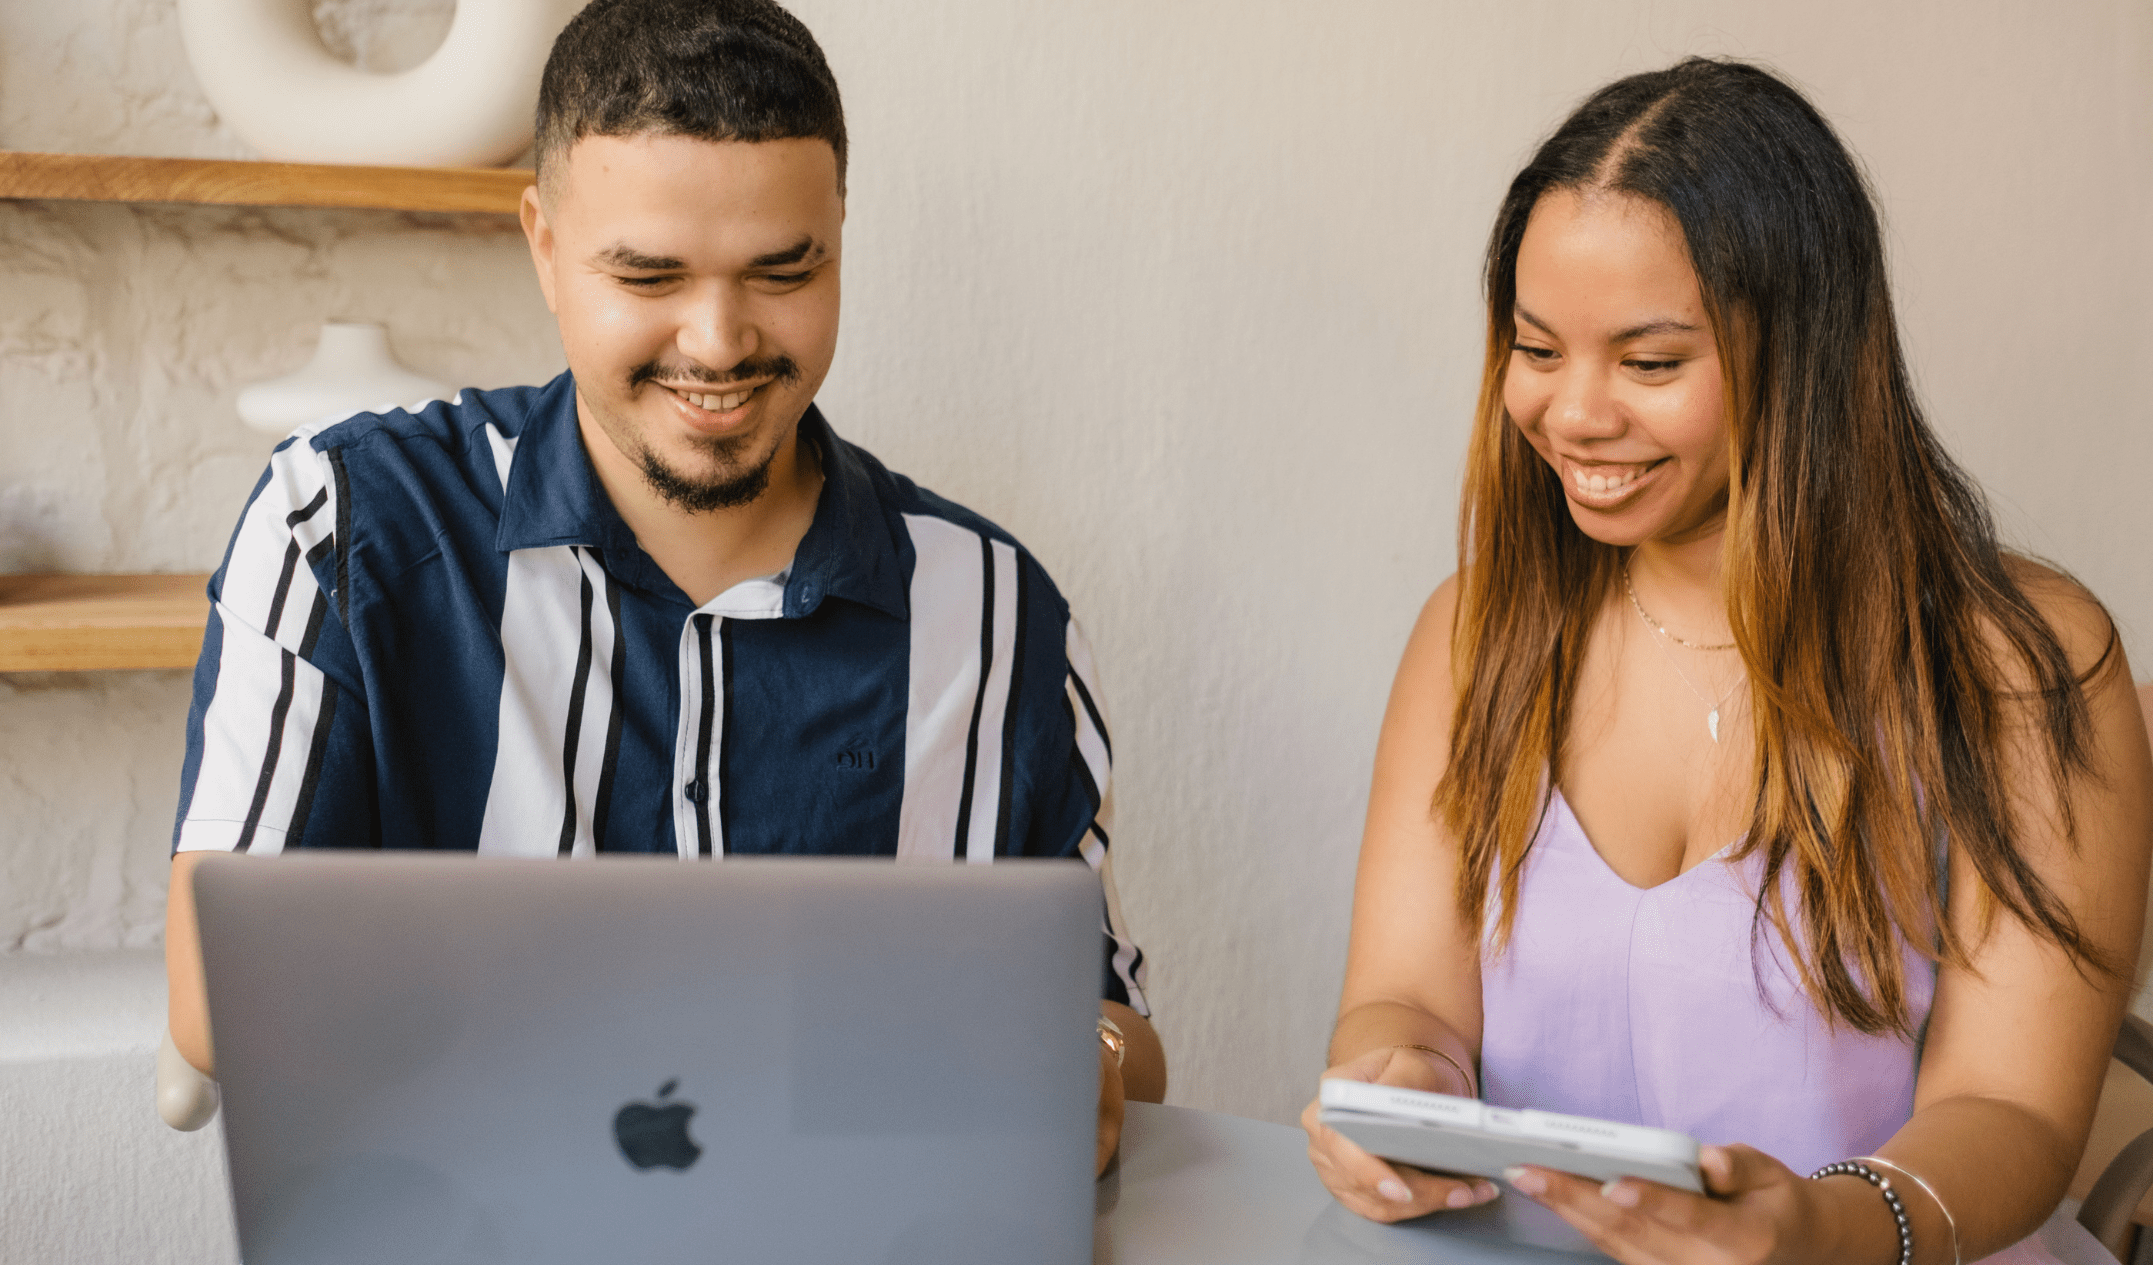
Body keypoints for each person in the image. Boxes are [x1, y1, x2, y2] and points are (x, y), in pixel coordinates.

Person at [163, 0, 1163, 1173]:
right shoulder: (345, 527)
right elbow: (220, 1000)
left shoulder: (997, 613)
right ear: (542, 244)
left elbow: (1122, 1036)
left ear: (840, 231)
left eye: (784, 270)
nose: (719, 340)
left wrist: (1084, 1052)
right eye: (647, 274)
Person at [1303, 57, 2153, 1264]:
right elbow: (1410, 1002)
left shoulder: (2018, 661)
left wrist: (1823, 1224)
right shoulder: (1474, 633)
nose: (1575, 413)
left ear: (1803, 353)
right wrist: (1394, 1084)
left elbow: (2013, 1111)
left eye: (1649, 364)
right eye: (1537, 349)